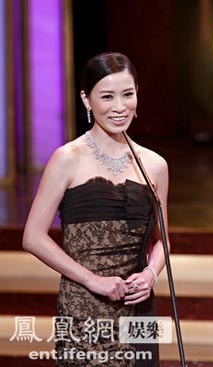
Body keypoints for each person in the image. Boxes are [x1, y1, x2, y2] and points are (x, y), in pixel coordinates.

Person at [22, 52, 169, 366]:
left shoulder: (154, 165)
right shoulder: (67, 158)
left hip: (138, 308)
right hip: (84, 305)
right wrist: (91, 280)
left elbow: (163, 241)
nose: (119, 107)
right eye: (107, 96)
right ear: (86, 100)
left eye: (127, 94)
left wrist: (150, 274)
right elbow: (33, 237)